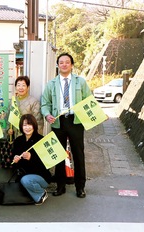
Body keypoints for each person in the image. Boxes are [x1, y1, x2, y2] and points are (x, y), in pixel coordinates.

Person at [41, 53, 92, 198]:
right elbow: (45, 103)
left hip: (75, 121)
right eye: (61, 62)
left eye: (67, 62)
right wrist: (47, 115)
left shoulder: (80, 82)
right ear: (57, 65)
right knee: (58, 155)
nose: (64, 64)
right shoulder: (51, 84)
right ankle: (60, 186)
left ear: (72, 65)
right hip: (58, 122)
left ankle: (80, 187)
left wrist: (98, 115)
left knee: (78, 154)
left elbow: (89, 101)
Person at [12, 114, 52, 205]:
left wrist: (31, 157)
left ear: (34, 125)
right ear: (21, 127)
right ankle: (32, 192)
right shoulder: (18, 140)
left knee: (26, 181)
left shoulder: (41, 140)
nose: (27, 128)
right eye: (24, 125)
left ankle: (41, 195)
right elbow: (14, 161)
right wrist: (15, 159)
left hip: (41, 176)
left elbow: (46, 163)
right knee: (23, 182)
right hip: (24, 175)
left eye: (30, 125)